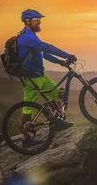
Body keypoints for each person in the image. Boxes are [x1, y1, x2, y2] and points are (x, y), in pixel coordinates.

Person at [17, 9, 77, 146]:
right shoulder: (26, 37)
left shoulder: (32, 35)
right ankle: (26, 138)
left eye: (39, 19)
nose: (39, 22)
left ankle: (58, 122)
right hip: (30, 78)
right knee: (28, 107)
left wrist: (59, 61)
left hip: (41, 75)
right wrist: (66, 55)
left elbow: (42, 53)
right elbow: (47, 47)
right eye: (36, 20)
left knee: (57, 93)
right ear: (27, 21)